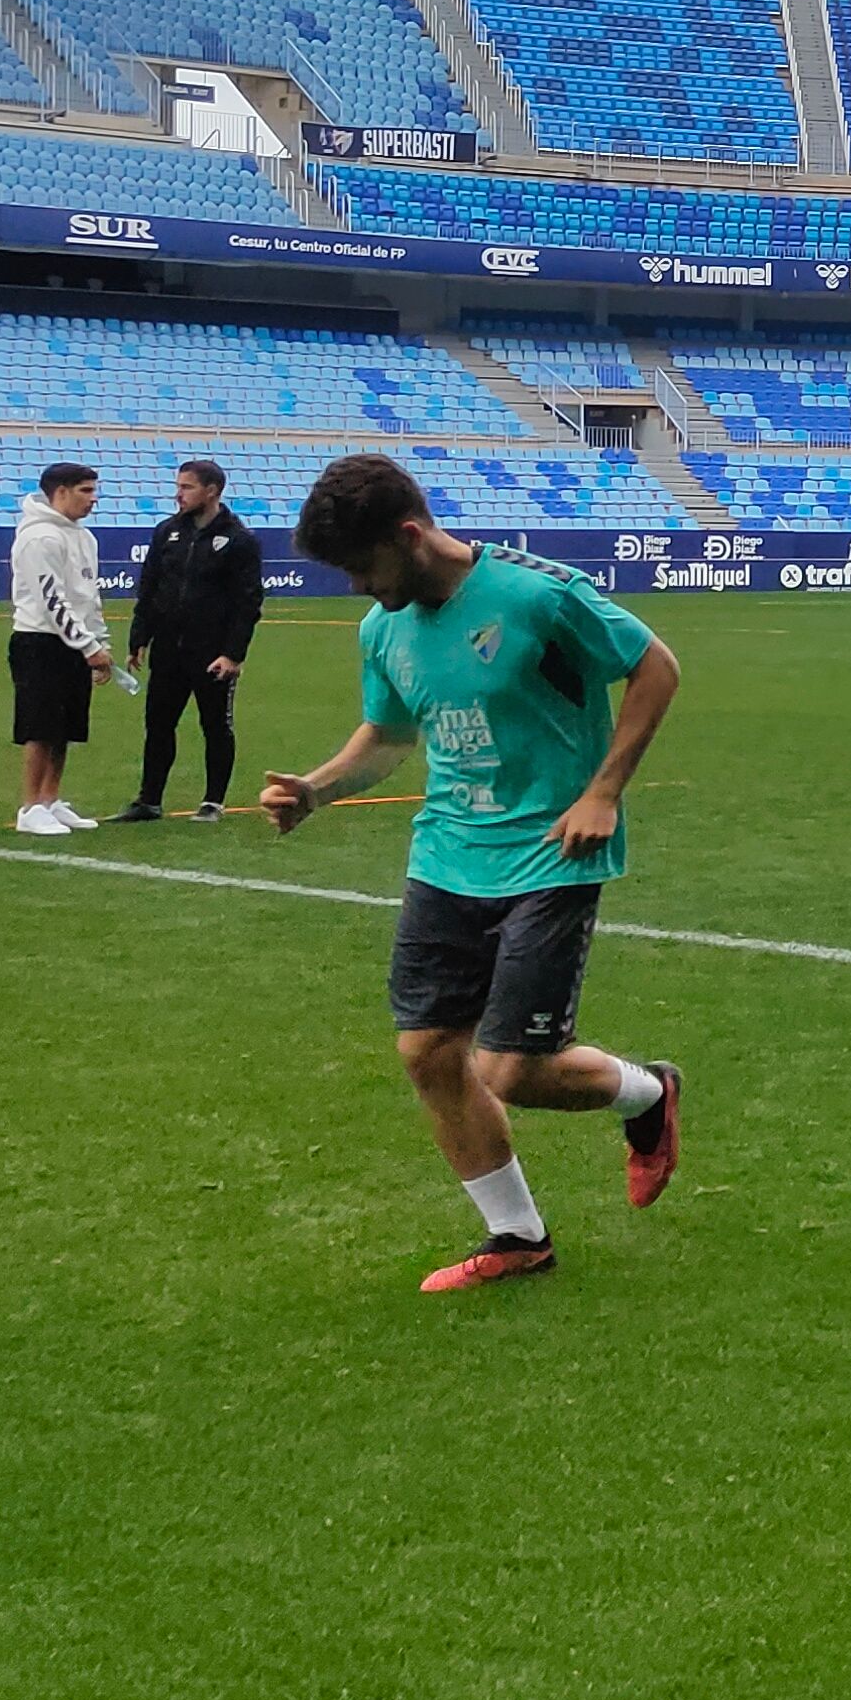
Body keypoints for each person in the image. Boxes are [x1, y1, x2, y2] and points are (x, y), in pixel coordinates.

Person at [260, 453, 686, 1295]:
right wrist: (316, 788)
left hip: (551, 849)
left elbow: (656, 667)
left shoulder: (536, 596)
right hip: (448, 854)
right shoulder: (384, 628)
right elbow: (385, 737)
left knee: (513, 1068)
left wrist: (604, 791)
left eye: (362, 566)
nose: (354, 587)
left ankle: (648, 1095)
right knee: (427, 1052)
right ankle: (516, 1236)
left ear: (409, 536)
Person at [113, 458, 264, 823]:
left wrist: (232, 654)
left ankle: (213, 802)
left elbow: (248, 602)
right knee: (158, 723)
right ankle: (149, 800)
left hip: (212, 652)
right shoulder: (167, 532)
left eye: (186, 487)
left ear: (211, 491)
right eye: (178, 486)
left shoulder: (239, 540)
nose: (178, 494)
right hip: (168, 647)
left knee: (215, 725)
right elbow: (149, 588)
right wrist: (139, 637)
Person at [8, 460, 115, 835]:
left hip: (75, 645)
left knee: (65, 727)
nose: (93, 499)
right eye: (85, 491)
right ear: (61, 492)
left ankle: (51, 799)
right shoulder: (39, 537)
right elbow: (52, 600)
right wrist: (87, 645)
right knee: (40, 726)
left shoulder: (85, 538)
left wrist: (99, 640)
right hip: (39, 641)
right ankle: (30, 806)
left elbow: (88, 594)